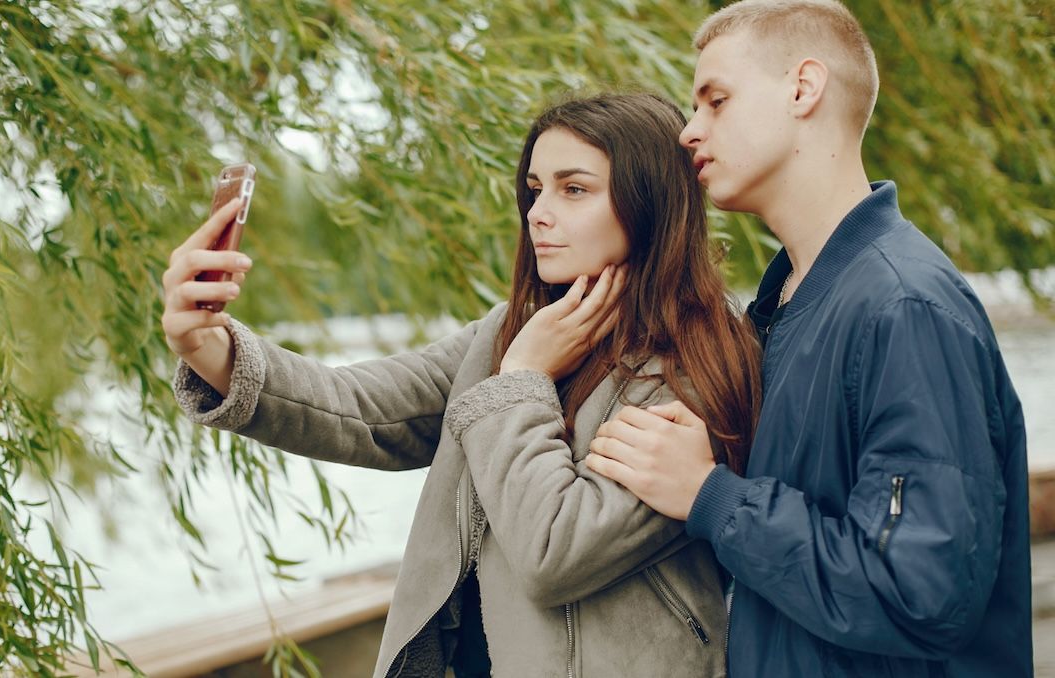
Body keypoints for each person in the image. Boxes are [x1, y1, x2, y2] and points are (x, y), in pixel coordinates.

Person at [162, 93, 761, 677]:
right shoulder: (509, 332)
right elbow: (360, 409)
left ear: (650, 202)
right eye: (534, 189)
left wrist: (524, 378)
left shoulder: (698, 364)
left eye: (573, 189)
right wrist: (209, 346)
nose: (538, 213)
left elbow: (557, 551)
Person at [585, 2, 1033, 677]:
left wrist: (711, 495)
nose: (689, 132)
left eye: (716, 101)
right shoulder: (784, 305)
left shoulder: (904, 306)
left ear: (803, 88)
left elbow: (919, 594)